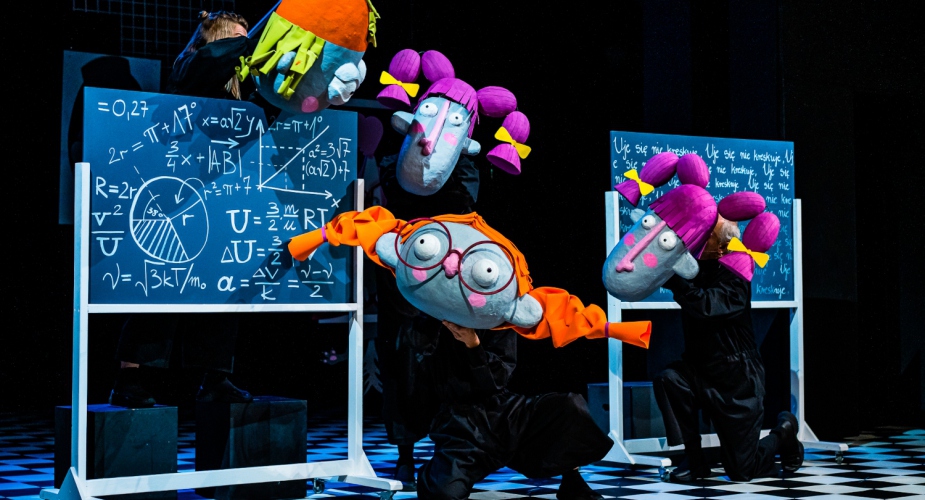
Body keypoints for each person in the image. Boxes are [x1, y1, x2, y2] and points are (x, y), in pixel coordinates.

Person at [109, 11, 256, 408]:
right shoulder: (192, 67)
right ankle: (129, 378)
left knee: (223, 289)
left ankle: (215, 377)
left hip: (217, 197)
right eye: (238, 39)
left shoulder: (235, 89)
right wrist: (253, 40)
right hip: (174, 196)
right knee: (162, 287)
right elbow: (209, 63)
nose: (245, 48)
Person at [653, 215, 804, 482]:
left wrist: (675, 281)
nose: (697, 236)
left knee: (742, 471)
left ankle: (784, 432)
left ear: (722, 245)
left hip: (737, 380)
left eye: (706, 234)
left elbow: (707, 306)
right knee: (669, 379)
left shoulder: (737, 273)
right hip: (700, 370)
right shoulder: (694, 266)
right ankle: (694, 460)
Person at [371, 153, 481, 488]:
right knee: (403, 362)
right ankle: (406, 455)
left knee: (446, 360)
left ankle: (443, 451)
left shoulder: (457, 163)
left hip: (448, 267)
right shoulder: (401, 159)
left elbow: (467, 198)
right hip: (407, 261)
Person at [412, 319, 611, 500]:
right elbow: (419, 354)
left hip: (501, 412)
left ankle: (572, 480)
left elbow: (497, 379)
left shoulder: (497, 317)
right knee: (443, 493)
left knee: (568, 406)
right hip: (459, 424)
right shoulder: (431, 317)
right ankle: (434, 472)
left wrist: (474, 345)